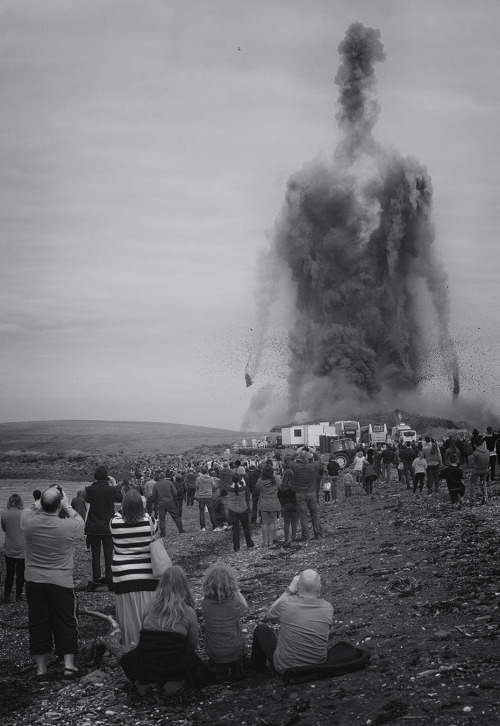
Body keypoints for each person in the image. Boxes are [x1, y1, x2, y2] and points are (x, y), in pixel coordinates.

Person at [101, 565, 209, 697]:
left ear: (161, 585)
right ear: (184, 585)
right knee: (200, 670)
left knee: (132, 659)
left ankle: (147, 681)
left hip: (148, 661)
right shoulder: (188, 611)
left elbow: (143, 632)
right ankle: (174, 680)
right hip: (174, 662)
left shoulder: (150, 605)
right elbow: (193, 644)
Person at [20, 487, 85, 680]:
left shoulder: (28, 522)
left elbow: (29, 509)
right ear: (59, 506)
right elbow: (81, 521)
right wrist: (67, 505)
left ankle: (41, 669)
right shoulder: (68, 526)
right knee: (66, 620)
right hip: (60, 581)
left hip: (34, 580)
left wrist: (41, 501)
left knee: (38, 622)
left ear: (42, 504)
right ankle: (68, 665)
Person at [250, 569, 333, 674]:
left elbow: (267, 616)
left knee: (261, 629)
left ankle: (257, 668)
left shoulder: (286, 604)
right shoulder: (328, 608)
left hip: (286, 668)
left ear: (298, 586)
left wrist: (288, 591)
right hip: (317, 666)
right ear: (319, 587)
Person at [110, 489, 159, 646]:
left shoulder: (115, 524)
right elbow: (147, 520)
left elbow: (117, 514)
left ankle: (131, 645)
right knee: (149, 615)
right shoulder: (151, 523)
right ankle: (150, 644)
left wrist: (122, 509)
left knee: (128, 617)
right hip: (148, 575)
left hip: (123, 576)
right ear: (141, 506)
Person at [201, 563, 248, 682]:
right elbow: (245, 608)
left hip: (214, 651)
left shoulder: (205, 603)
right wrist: (236, 591)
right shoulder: (234, 602)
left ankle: (221, 668)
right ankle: (236, 666)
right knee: (236, 629)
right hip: (234, 648)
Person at [85, 465, 123, 590]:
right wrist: (114, 484)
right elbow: (120, 498)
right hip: (108, 526)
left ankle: (96, 577)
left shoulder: (90, 489)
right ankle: (109, 577)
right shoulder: (111, 489)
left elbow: (87, 500)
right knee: (108, 553)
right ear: (106, 476)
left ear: (96, 476)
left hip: (94, 526)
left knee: (95, 553)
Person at [285, 450, 323, 540]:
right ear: (308, 457)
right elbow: (319, 460)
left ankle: (305, 536)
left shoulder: (296, 467)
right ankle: (318, 534)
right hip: (311, 493)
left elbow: (289, 460)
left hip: (300, 494)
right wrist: (313, 451)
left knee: (303, 516)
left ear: (300, 458)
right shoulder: (312, 466)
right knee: (314, 514)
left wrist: (296, 452)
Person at [1, 493, 26, 604]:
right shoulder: (24, 514)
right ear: (20, 502)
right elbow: (27, 529)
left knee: (9, 572)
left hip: (9, 546)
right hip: (21, 546)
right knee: (20, 573)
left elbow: (4, 528)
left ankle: (7, 596)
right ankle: (18, 595)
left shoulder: (4, 513)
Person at [255, 464, 281, 548]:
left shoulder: (260, 481)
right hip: (274, 502)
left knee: (265, 523)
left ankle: (265, 542)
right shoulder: (276, 479)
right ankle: (271, 542)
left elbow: (257, 487)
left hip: (263, 503)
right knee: (272, 522)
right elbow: (280, 486)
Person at [227, 474, 254, 552]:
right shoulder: (244, 488)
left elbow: (232, 489)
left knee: (235, 529)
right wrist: (244, 484)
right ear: (239, 480)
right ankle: (249, 543)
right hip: (243, 509)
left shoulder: (228, 488)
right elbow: (247, 494)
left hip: (232, 509)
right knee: (246, 527)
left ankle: (236, 547)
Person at [152, 472, 185, 536]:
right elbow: (175, 492)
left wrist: (156, 502)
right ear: (164, 476)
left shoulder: (156, 485)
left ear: (159, 477)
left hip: (161, 503)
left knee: (162, 518)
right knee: (175, 516)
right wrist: (174, 500)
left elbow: (154, 495)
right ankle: (181, 530)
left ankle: (163, 533)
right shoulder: (169, 483)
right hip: (170, 502)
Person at [277, 468, 299, 545]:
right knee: (294, 522)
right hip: (294, 504)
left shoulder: (281, 486)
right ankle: (294, 537)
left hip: (285, 505)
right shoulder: (295, 485)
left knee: (286, 523)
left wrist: (282, 505)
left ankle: (286, 538)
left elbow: (279, 497)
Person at [195, 466, 218, 532]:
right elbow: (215, 486)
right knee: (211, 512)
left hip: (201, 496)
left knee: (202, 512)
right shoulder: (211, 479)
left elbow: (196, 486)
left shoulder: (198, 479)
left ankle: (203, 527)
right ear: (207, 471)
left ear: (201, 471)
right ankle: (214, 526)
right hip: (208, 496)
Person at [469, 441, 490, 506]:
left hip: (477, 470)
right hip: (485, 469)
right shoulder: (487, 451)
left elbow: (472, 463)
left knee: (472, 483)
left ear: (475, 445)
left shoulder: (475, 453)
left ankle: (473, 500)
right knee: (483, 482)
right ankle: (485, 497)